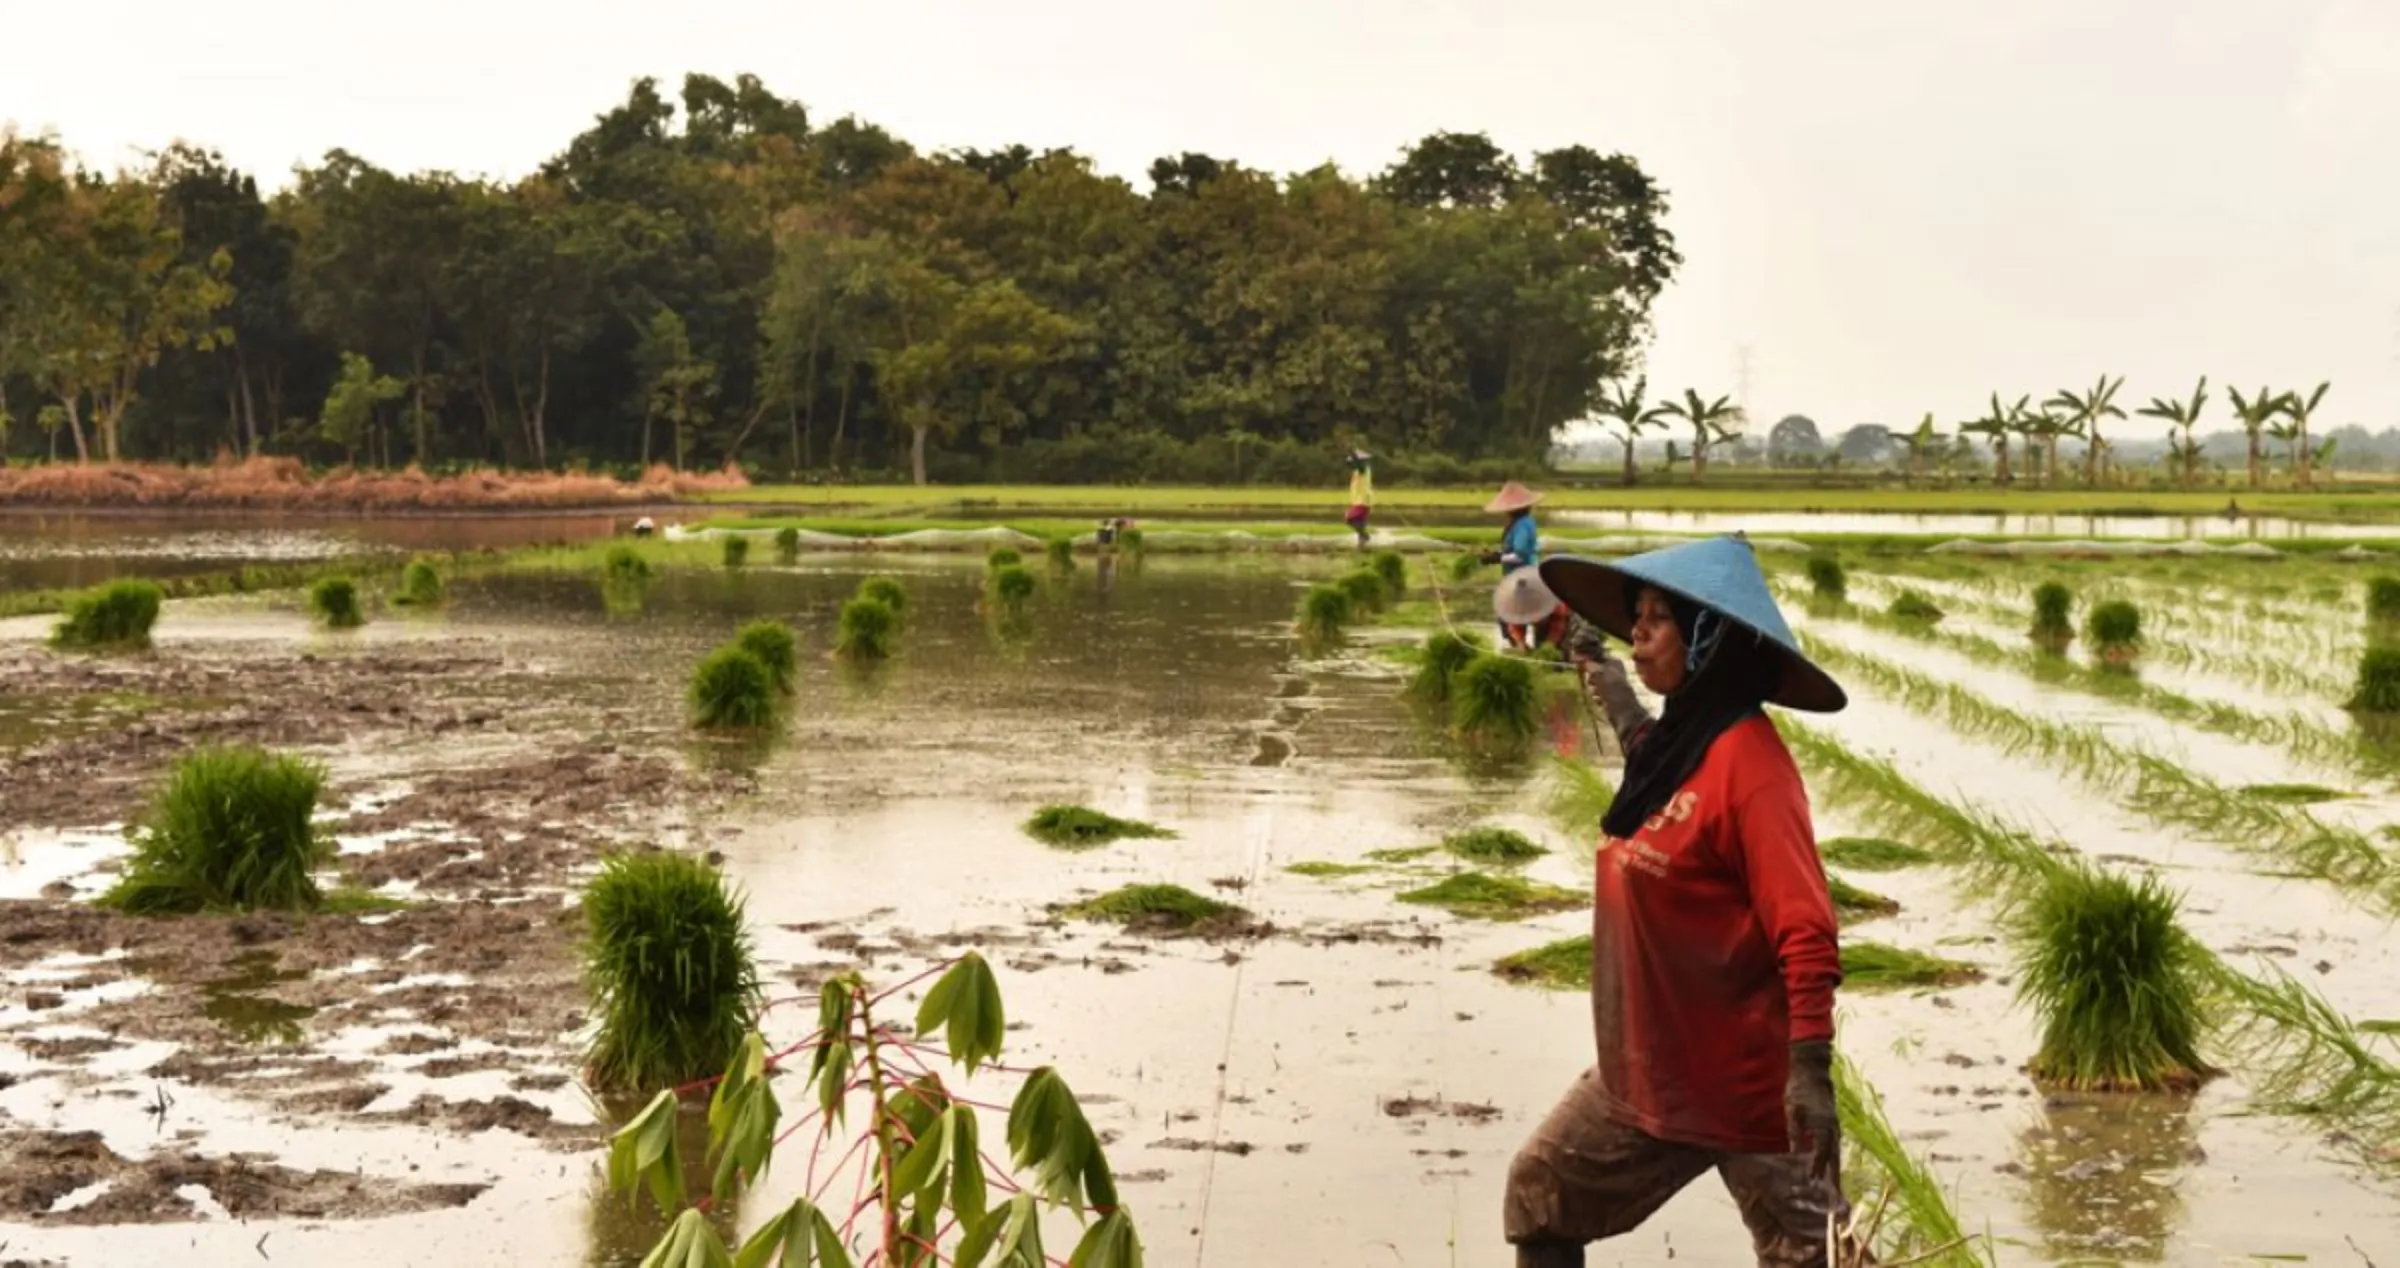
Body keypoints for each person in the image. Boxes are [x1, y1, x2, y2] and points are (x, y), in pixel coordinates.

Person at [1506, 534, 1853, 1268]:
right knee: (1542, 1192)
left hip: (1745, 1087)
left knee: (1813, 1256)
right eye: (1637, 615)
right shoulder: (1683, 746)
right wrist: (1616, 691)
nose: (1638, 631)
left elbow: (1807, 929)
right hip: (1650, 1069)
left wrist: (1810, 1072)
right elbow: (1666, 778)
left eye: (1657, 618)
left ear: (1709, 638)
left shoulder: (1754, 768)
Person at [1483, 482, 1566, 648]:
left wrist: (1498, 558)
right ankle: (1525, 647)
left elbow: (1520, 555)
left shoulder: (1523, 524)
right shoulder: (1518, 523)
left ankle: (1528, 647)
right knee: (1516, 614)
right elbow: (1511, 550)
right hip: (1519, 575)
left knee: (1515, 613)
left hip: (1524, 577)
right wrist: (1495, 554)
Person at [1344, 450, 1375, 548]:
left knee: (1350, 518)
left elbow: (1357, 463)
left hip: (1362, 500)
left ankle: (1364, 536)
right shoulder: (1358, 471)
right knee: (1360, 522)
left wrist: (1353, 453)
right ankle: (1362, 541)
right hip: (1359, 500)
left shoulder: (1363, 469)